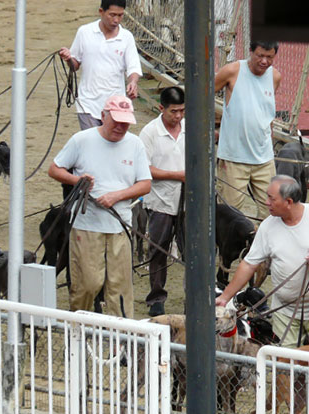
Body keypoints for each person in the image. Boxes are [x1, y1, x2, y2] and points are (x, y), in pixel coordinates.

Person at [215, 175, 309, 347]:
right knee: (283, 363)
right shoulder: (267, 227)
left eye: (271, 198)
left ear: (288, 202)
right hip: (285, 310)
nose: (266, 202)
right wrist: (225, 297)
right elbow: (249, 264)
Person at [48, 95, 151, 318]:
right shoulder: (81, 140)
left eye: (125, 123)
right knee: (87, 283)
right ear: (103, 116)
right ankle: (77, 330)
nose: (121, 127)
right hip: (87, 224)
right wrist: (78, 181)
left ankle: (122, 342)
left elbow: (145, 184)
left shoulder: (135, 144)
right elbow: (55, 169)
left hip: (120, 225)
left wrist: (117, 196)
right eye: (116, 121)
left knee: (120, 287)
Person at [214, 41, 283, 219]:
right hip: (234, 158)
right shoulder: (232, 71)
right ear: (250, 51)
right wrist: (211, 128)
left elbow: (265, 111)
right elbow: (205, 95)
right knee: (229, 213)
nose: (264, 61)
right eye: (260, 55)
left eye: (269, 57)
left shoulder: (275, 77)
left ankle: (262, 246)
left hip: (264, 158)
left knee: (272, 211)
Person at [138, 86, 186, 316]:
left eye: (182, 111)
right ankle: (156, 298)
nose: (178, 116)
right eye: (173, 111)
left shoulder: (189, 127)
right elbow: (145, 169)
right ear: (161, 108)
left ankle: (193, 296)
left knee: (192, 251)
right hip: (160, 201)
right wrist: (178, 175)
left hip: (187, 201)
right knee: (158, 249)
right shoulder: (149, 133)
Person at [59, 0, 143, 130]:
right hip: (87, 102)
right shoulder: (85, 32)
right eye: (112, 15)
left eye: (120, 15)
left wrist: (133, 82)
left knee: (113, 143)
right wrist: (68, 58)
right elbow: (75, 65)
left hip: (115, 104)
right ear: (101, 12)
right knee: (93, 144)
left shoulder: (126, 37)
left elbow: (134, 67)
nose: (116, 20)